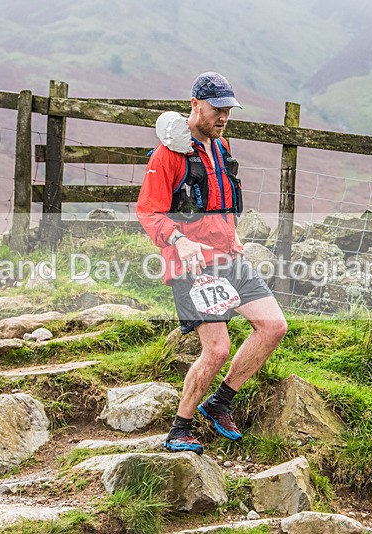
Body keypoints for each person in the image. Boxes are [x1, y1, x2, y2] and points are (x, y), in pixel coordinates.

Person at [136, 72, 288, 455]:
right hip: (193, 267)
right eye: (217, 109)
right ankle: (179, 428)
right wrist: (179, 239)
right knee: (217, 350)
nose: (223, 117)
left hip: (229, 258)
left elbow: (219, 200)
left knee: (273, 326)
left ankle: (220, 402)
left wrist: (231, 233)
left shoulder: (221, 146)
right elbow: (148, 212)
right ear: (195, 105)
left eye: (228, 110)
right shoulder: (167, 154)